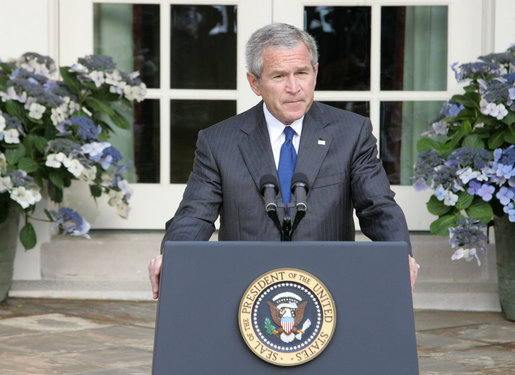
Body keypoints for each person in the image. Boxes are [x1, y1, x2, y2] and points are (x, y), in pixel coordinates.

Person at [149, 23, 418, 299]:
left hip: (329, 288)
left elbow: (378, 207)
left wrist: (400, 254)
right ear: (255, 83)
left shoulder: (352, 133)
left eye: (301, 73)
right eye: (279, 76)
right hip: (244, 290)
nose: (294, 88)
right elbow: (195, 215)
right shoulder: (218, 141)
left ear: (315, 72)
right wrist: (172, 255)